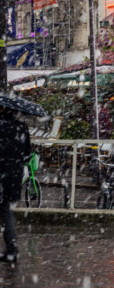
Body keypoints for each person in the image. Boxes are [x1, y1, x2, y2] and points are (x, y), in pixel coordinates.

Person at [0, 106, 31, 264]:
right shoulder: (21, 127)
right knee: (6, 212)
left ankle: (11, 250)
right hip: (13, 176)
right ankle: (11, 250)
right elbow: (27, 152)